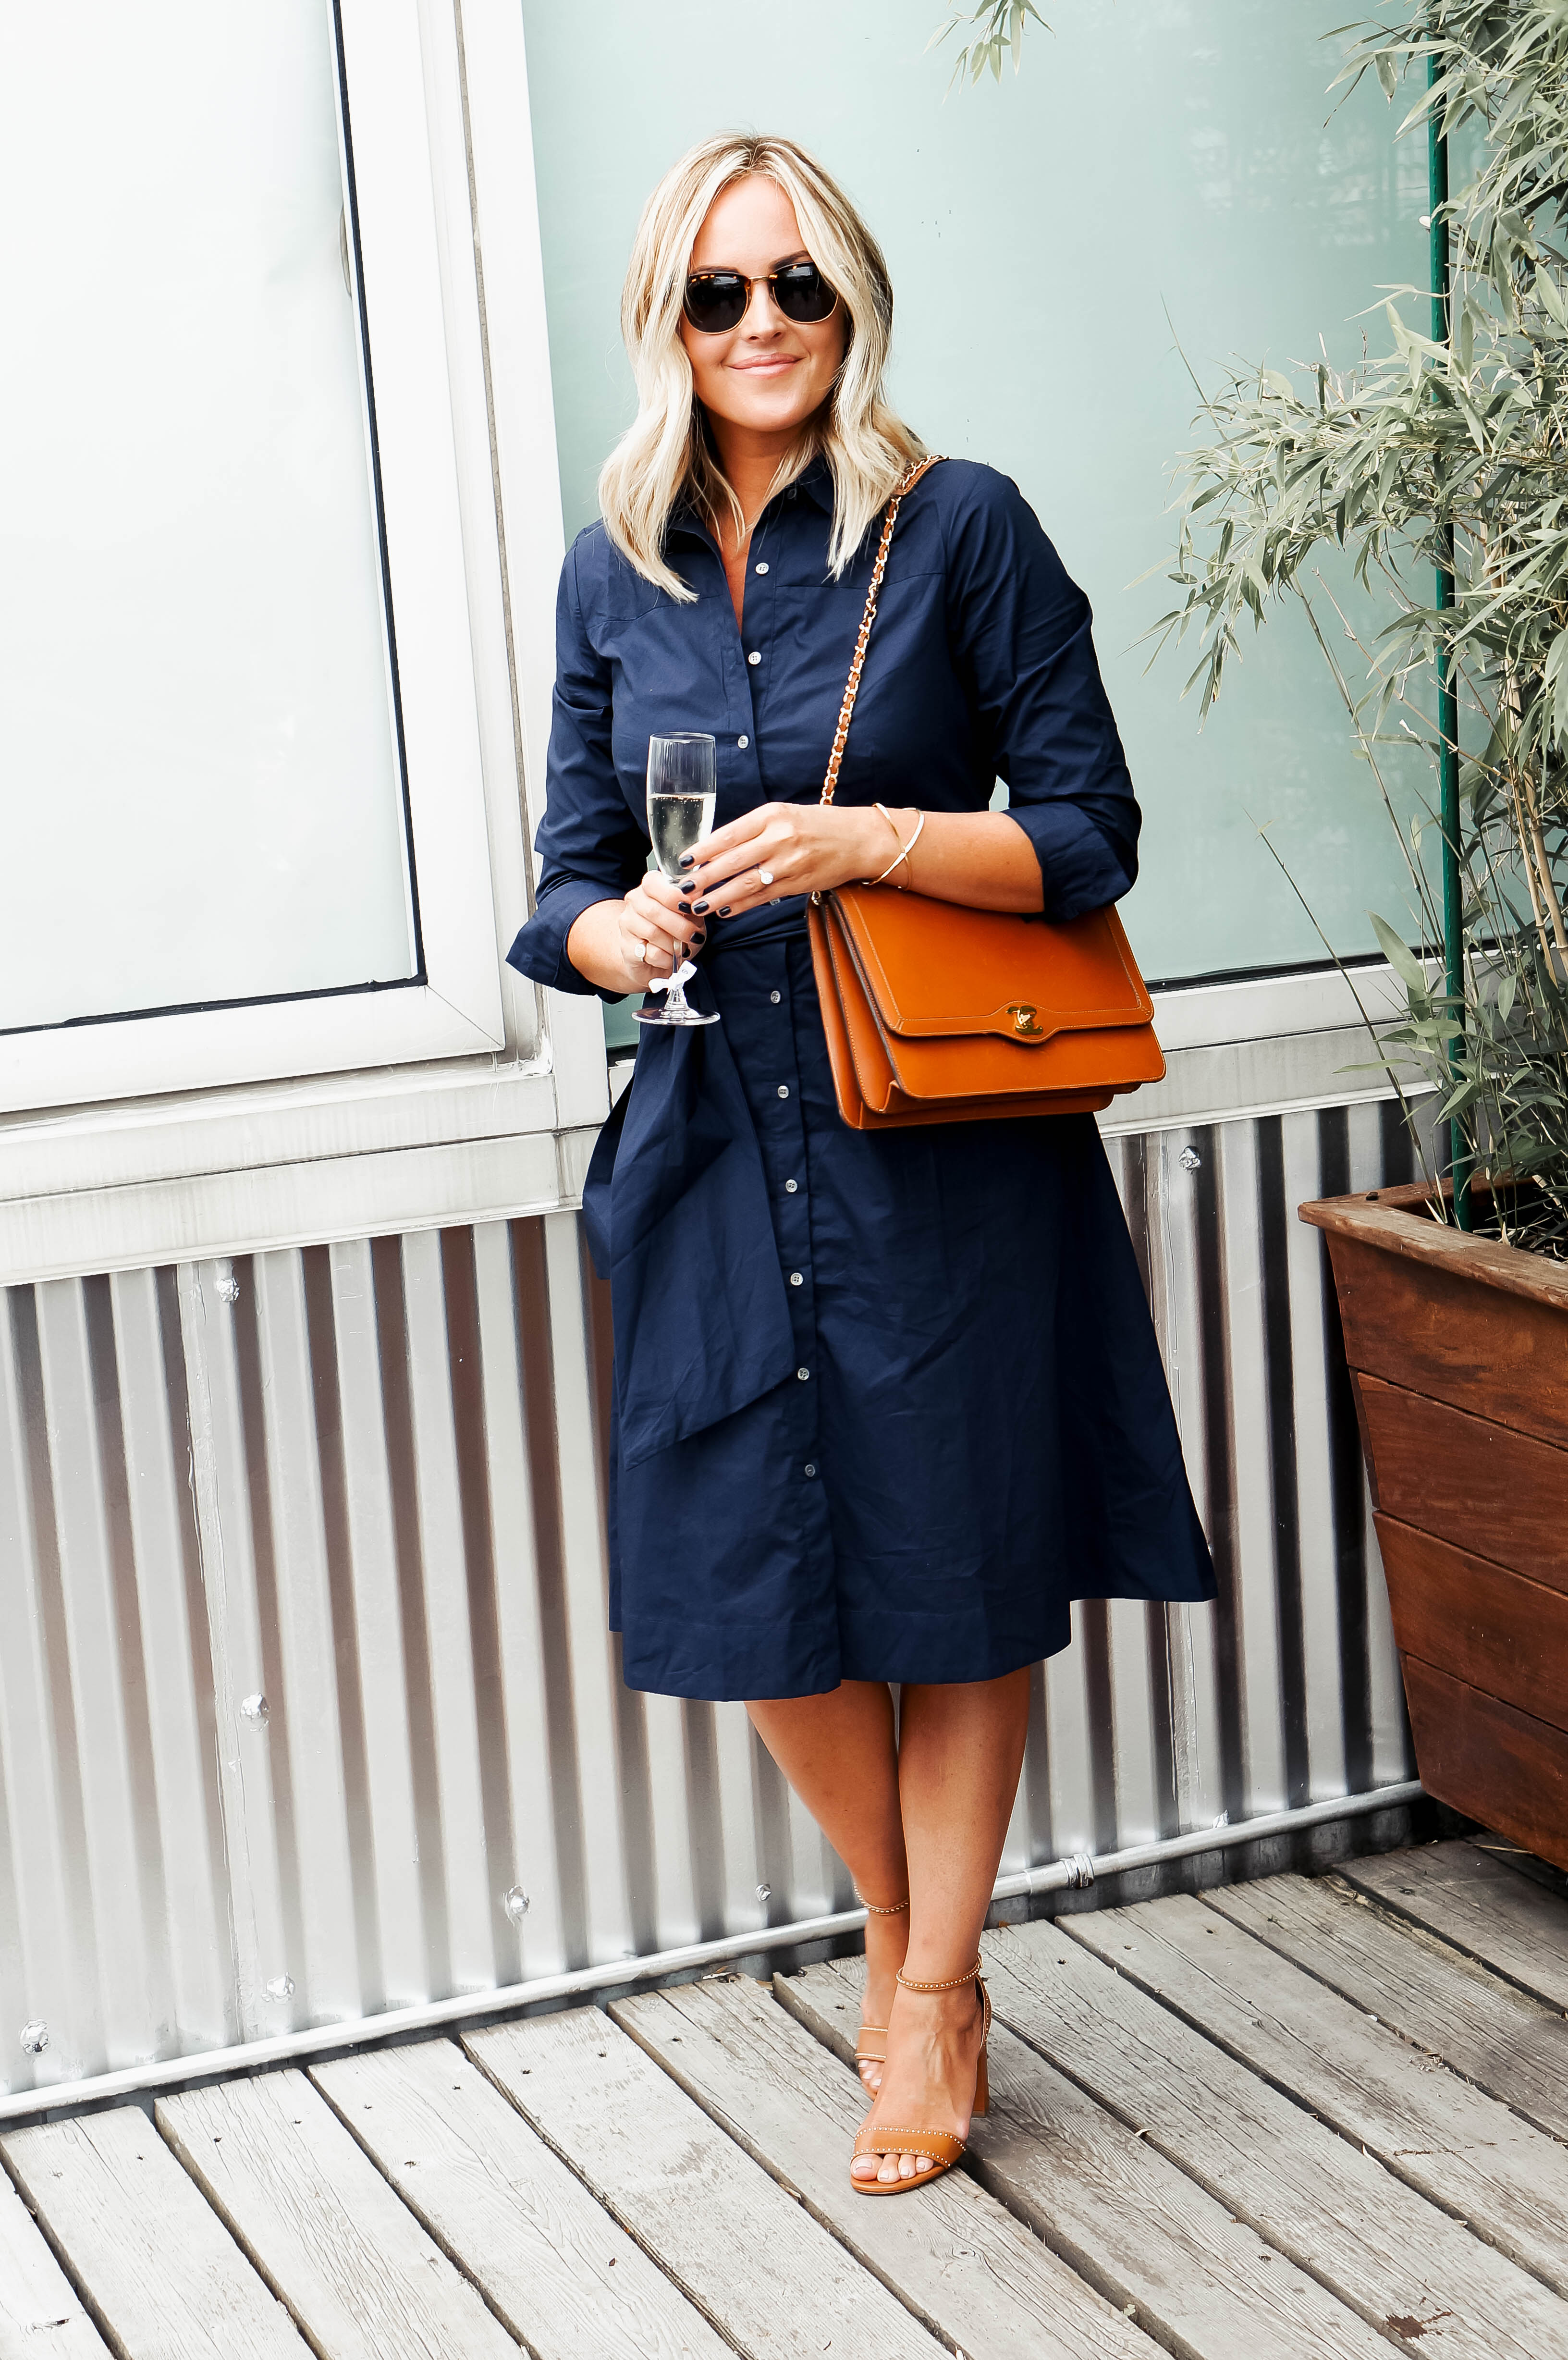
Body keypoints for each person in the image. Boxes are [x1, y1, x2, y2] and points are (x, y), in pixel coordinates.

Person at [506, 132, 1215, 2194]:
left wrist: (865, 839)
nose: (758, 328)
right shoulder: (608, 564)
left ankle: (925, 1994)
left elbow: (1087, 836)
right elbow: (558, 870)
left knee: (963, 1541)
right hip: (715, 1111)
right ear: (665, 315)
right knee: (748, 1564)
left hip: (932, 1124)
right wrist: (601, 935)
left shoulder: (955, 525)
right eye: (718, 293)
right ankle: (919, 1948)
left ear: (854, 304)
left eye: (795, 288)